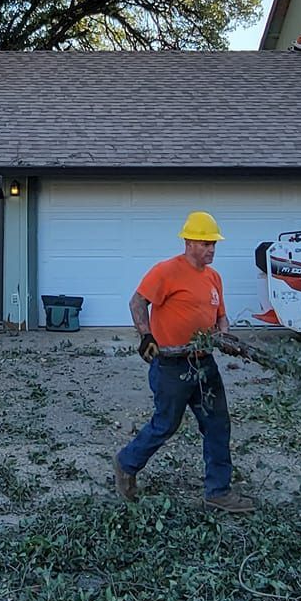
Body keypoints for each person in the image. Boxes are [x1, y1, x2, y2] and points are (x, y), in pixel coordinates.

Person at [114, 210, 254, 515]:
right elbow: (137, 301)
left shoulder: (214, 277)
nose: (211, 249)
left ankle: (218, 491)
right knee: (165, 424)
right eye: (205, 243)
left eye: (214, 244)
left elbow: (221, 317)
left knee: (217, 425)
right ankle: (126, 463)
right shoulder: (166, 271)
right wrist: (145, 335)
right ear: (189, 242)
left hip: (204, 364)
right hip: (171, 364)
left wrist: (225, 337)